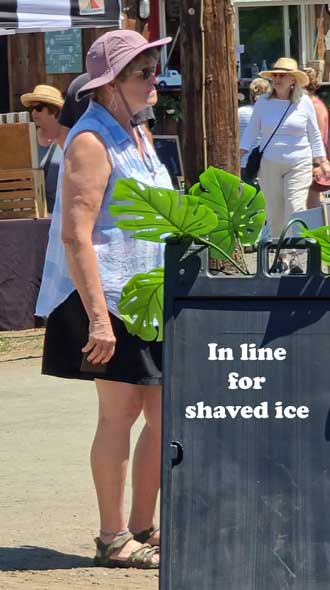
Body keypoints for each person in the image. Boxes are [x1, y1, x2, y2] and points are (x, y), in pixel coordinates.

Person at [36, 29, 172, 569]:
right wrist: (98, 319)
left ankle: (143, 526)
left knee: (163, 416)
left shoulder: (138, 134)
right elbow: (76, 234)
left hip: (148, 295)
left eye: (153, 67)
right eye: (143, 71)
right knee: (120, 413)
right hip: (105, 296)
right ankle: (113, 537)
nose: (154, 78)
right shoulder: (90, 140)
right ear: (111, 84)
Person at [240, 57, 330, 273]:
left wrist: (322, 161)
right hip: (269, 164)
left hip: (298, 162)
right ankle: (281, 256)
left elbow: (314, 135)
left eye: (283, 75)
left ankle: (296, 256)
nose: (278, 78)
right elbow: (251, 132)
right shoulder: (263, 102)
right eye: (275, 75)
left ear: (293, 80)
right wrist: (240, 158)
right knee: (274, 212)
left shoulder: (304, 102)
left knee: (295, 206)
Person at [57, 72, 156, 148]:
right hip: (124, 163)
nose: (154, 80)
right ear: (111, 85)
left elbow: (63, 136)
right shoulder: (133, 86)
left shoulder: (78, 84)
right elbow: (144, 135)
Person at [20, 85, 64, 215]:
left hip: (62, 213)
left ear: (53, 111)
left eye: (38, 108)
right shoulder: (26, 138)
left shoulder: (69, 137)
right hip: (34, 215)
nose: (33, 113)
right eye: (32, 109)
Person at [303, 67, 330, 208]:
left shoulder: (314, 106)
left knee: (312, 200)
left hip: (314, 160)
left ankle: (318, 229)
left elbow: (317, 135)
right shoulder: (313, 104)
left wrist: (316, 163)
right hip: (313, 158)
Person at [239, 77, 271, 183]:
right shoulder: (271, 114)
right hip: (267, 163)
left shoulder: (239, 112)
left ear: (250, 95)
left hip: (243, 163)